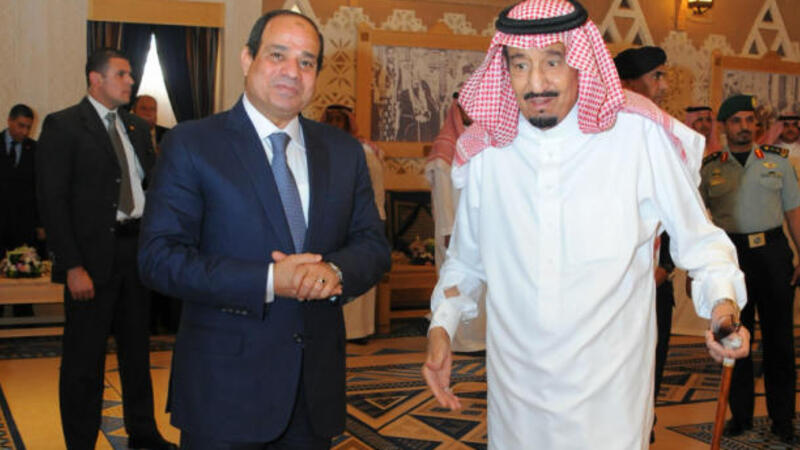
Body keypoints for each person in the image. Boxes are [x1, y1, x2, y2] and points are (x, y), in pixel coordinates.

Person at [422, 1, 750, 448]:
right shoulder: (488, 150)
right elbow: (464, 262)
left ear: (580, 59)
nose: (536, 83)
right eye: (520, 65)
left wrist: (723, 308)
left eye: (552, 62)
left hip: (609, 395)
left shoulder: (636, 135)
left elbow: (702, 242)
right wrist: (441, 328)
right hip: (516, 396)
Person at [137, 10, 390, 448]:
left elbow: (372, 245)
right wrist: (271, 280)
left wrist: (334, 272)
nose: (292, 71)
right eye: (277, 55)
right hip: (223, 393)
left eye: (306, 61)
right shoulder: (193, 144)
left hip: (313, 393)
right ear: (247, 58)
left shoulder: (344, 152)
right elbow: (159, 259)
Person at [36, 49, 174, 449]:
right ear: (96, 79)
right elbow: (52, 201)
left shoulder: (136, 127)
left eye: (130, 75)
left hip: (135, 252)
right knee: (84, 358)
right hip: (90, 259)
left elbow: (151, 187)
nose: (131, 81)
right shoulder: (64, 125)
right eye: (122, 74)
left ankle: (143, 433)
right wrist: (72, 265)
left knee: (137, 350)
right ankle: (80, 442)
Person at [699, 94, 800, 444]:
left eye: (749, 119)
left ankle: (783, 419)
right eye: (736, 121)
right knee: (734, 337)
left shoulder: (778, 162)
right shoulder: (710, 168)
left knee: (780, 341)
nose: (744, 126)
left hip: (772, 255)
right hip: (731, 259)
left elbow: (794, 213)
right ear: (725, 127)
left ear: (756, 124)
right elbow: (698, 223)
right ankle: (740, 416)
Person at [613, 45, 675, 443]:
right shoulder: (606, 137)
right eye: (657, 77)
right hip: (614, 287)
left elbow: (676, 212)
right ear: (629, 84)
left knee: (653, 365)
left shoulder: (663, 133)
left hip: (656, 283)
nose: (664, 86)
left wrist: (665, 266)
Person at [424, 93, 485, 353]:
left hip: (473, 229)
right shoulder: (445, 151)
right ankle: (460, 341)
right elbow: (443, 198)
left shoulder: (478, 145)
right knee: (456, 283)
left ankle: (477, 341)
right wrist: (450, 232)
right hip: (452, 231)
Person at [319, 104, 385, 341]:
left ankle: (354, 330)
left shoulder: (356, 151)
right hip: (360, 218)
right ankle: (358, 330)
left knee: (349, 269)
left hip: (351, 219)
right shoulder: (364, 150)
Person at [0, 104, 42, 317]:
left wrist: (41, 223)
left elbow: (40, 189)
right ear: (9, 121)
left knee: (25, 278)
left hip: (24, 225)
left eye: (28, 127)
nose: (24, 132)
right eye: (20, 126)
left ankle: (24, 320)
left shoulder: (35, 150)